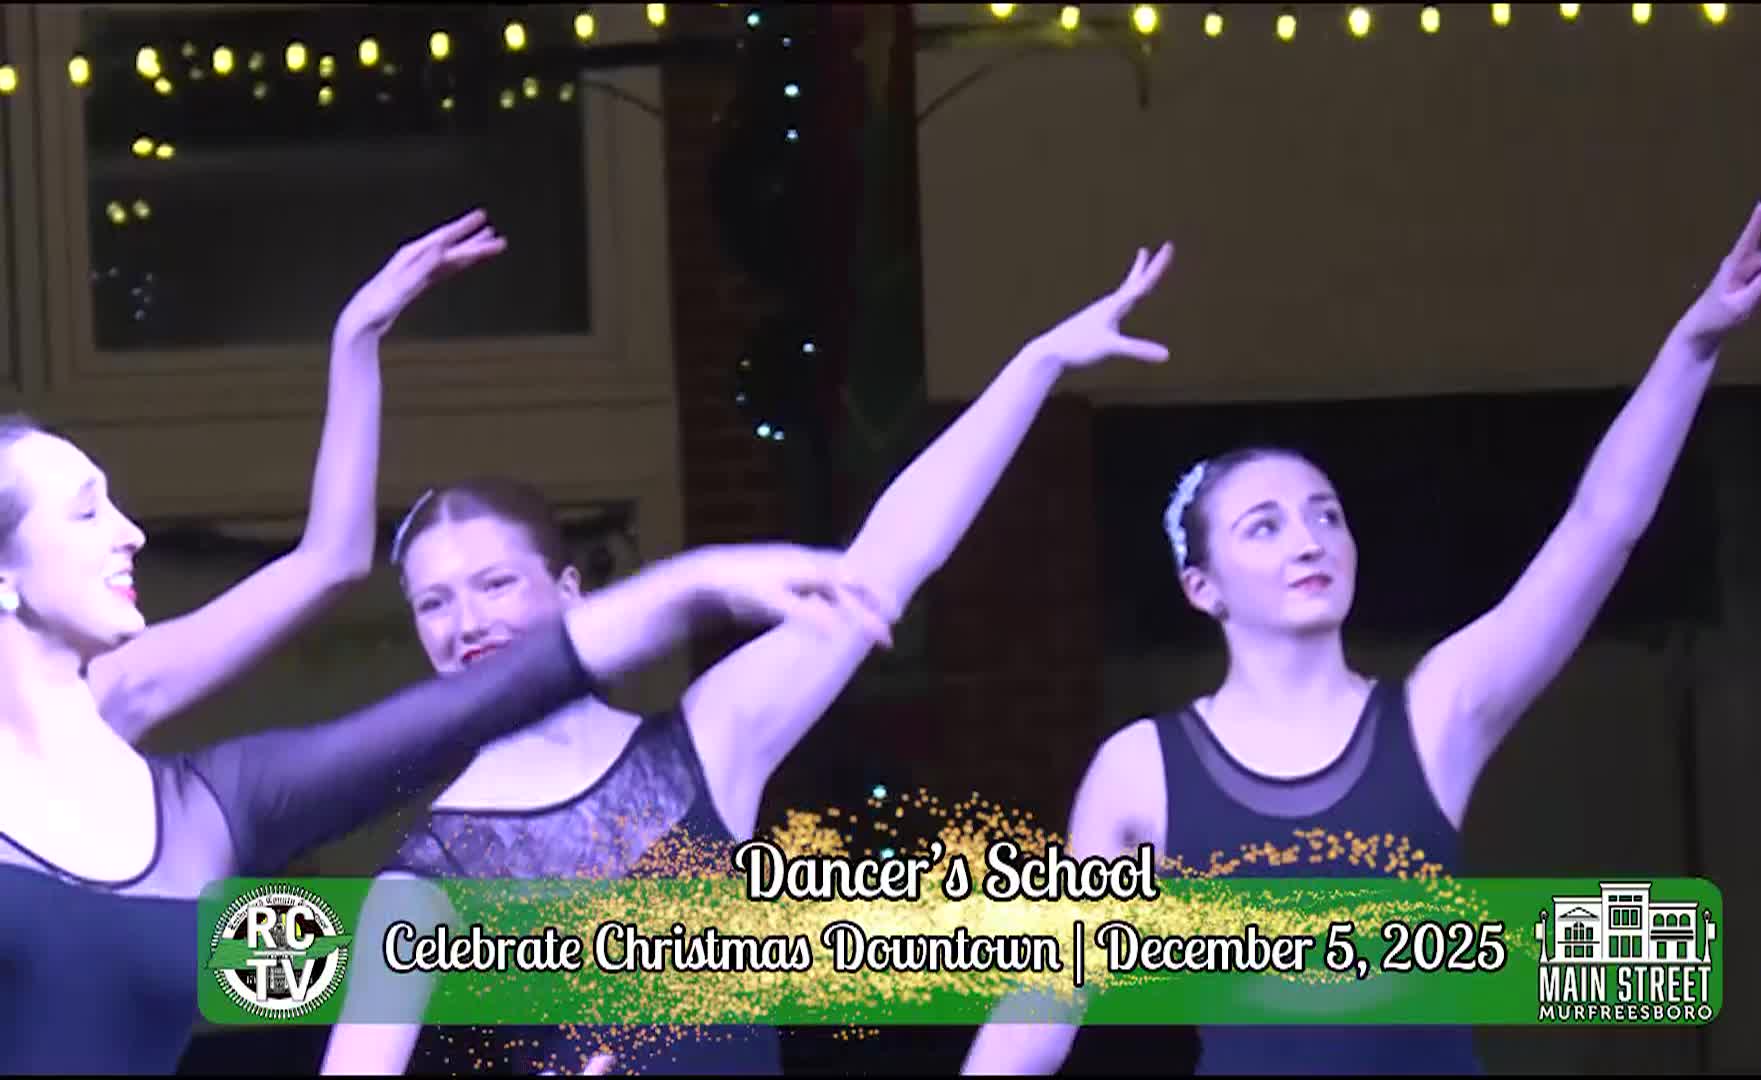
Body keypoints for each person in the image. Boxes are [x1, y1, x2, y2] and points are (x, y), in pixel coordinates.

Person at [961, 202, 1761, 1075]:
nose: (1309, 541)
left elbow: (1601, 528)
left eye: (1325, 516)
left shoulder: (1437, 712)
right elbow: (1044, 1001)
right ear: (1201, 586)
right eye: (1264, 527)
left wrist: (1693, 346)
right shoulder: (1141, 768)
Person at [316, 244, 1179, 1075]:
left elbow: (886, 562)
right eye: (435, 602)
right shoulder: (429, 875)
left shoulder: (705, 745)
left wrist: (1035, 366)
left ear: (572, 591)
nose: (466, 622)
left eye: (496, 584)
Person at [0, 392, 890, 1074]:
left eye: (497, 587)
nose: (131, 532)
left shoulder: (208, 800)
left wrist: (695, 584)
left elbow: (461, 706)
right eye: (86, 510)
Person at [93, 209, 503, 746]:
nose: (130, 533)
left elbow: (329, 561)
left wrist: (357, 335)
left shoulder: (100, 692)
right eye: (83, 512)